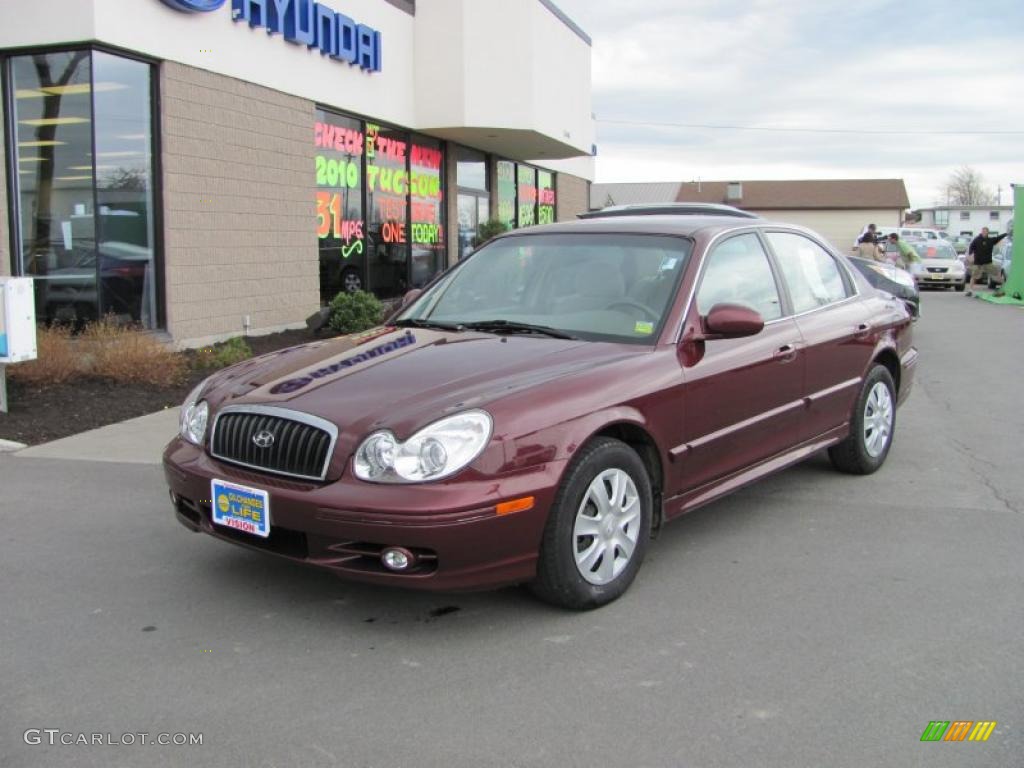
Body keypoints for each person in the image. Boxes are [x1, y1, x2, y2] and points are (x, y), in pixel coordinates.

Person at [965, 227, 1008, 297]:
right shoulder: (977, 240)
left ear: (988, 232)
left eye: (985, 231)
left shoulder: (990, 240)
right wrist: (970, 255)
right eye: (983, 231)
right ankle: (970, 290)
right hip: (978, 262)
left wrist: (1006, 234)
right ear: (981, 232)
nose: (984, 232)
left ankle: (1004, 288)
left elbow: (998, 238)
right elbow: (971, 246)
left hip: (988, 262)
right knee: (974, 276)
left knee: (997, 273)